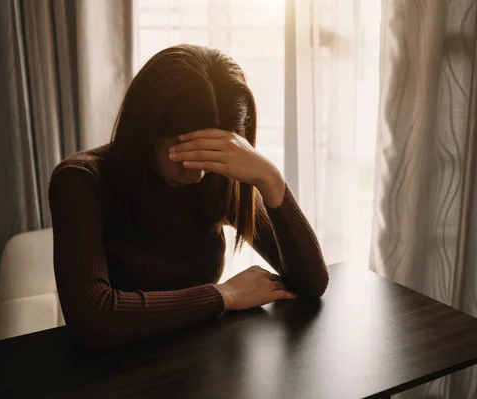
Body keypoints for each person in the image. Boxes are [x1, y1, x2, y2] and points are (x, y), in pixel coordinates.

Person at [48, 44, 328, 351]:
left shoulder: (215, 175)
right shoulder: (80, 181)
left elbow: (312, 283)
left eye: (210, 155)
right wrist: (224, 295)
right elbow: (94, 318)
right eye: (184, 153)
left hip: (199, 364)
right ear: (145, 130)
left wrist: (270, 179)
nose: (197, 175)